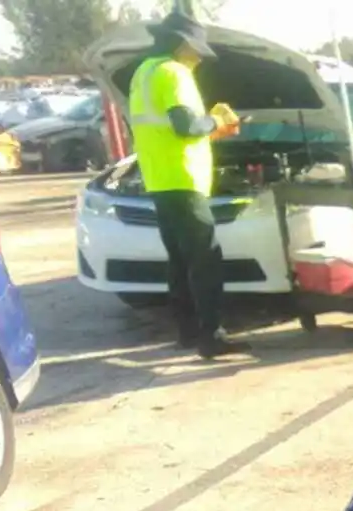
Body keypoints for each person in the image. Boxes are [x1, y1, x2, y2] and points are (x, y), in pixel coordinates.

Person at [128, 12, 243, 357]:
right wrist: (218, 121)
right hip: (184, 178)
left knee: (179, 261)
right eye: (196, 51)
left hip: (159, 179)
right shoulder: (173, 72)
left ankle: (189, 332)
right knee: (205, 257)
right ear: (182, 45)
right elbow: (185, 126)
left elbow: (161, 126)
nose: (198, 59)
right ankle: (212, 336)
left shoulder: (142, 73)